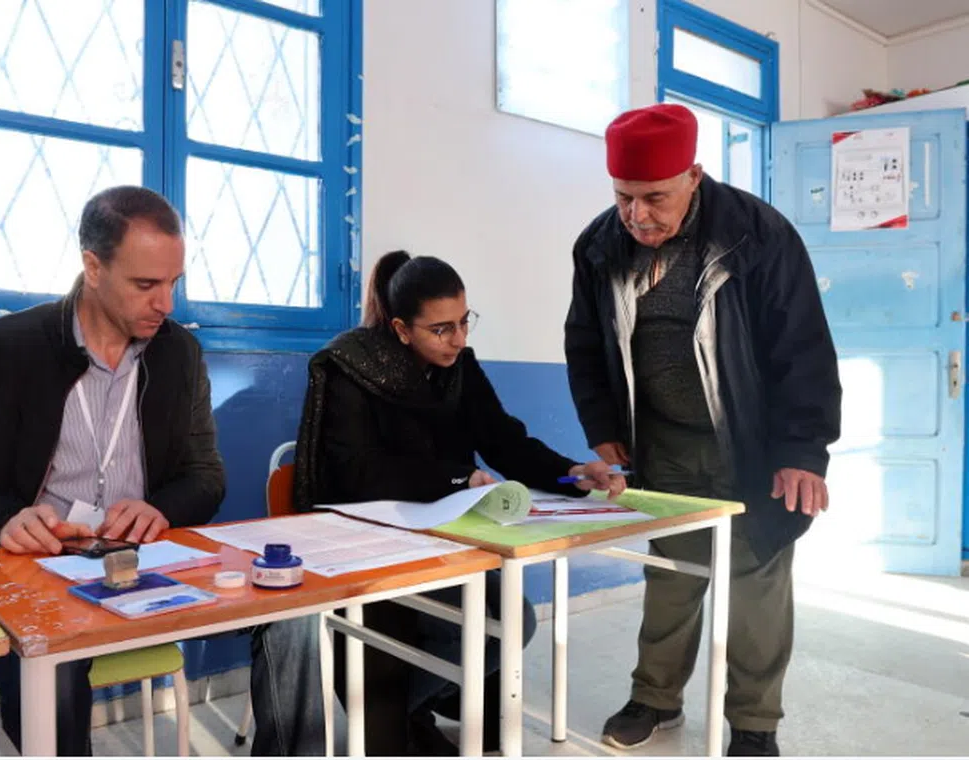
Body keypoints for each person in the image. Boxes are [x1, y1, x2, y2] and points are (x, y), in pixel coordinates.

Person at [0, 185, 323, 756]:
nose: (166, 304)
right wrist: (3, 520)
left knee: (292, 613)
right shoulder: (4, 349)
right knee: (56, 656)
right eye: (146, 285)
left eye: (174, 283)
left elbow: (206, 476)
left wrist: (163, 509)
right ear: (92, 267)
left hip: (141, 559)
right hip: (39, 565)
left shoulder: (178, 354)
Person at [564, 103, 842, 757]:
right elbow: (584, 341)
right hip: (661, 445)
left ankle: (753, 722)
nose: (637, 215)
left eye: (653, 197)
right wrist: (602, 424)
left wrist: (803, 450)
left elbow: (802, 348)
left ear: (693, 175)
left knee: (757, 579)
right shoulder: (600, 245)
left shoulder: (758, 235)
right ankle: (654, 700)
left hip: (749, 442)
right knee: (670, 575)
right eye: (624, 197)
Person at [293, 250, 626, 755]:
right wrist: (457, 475)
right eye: (442, 329)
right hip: (367, 540)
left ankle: (404, 710)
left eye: (464, 322)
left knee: (509, 621)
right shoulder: (352, 367)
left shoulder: (459, 368)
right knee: (499, 622)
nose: (460, 340)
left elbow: (504, 438)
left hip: (446, 534)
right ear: (402, 329)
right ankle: (397, 716)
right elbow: (358, 471)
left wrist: (574, 471)